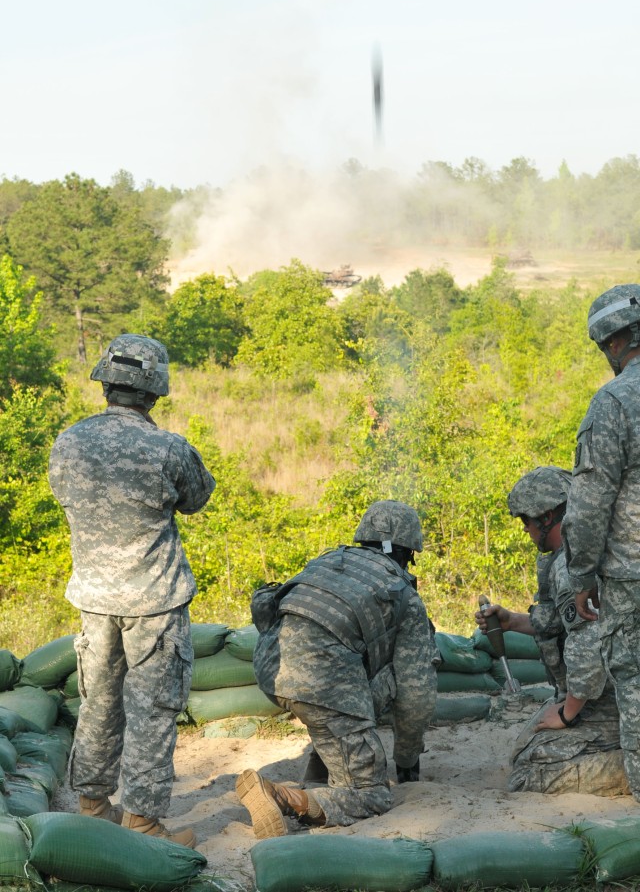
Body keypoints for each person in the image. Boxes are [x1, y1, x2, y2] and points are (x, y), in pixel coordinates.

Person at [49, 334, 216, 847]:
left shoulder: (68, 441)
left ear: (107, 383)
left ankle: (92, 805)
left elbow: (63, 495)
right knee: (153, 708)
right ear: (154, 391)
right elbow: (197, 498)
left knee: (97, 701)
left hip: (95, 601)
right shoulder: (168, 448)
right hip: (155, 603)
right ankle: (141, 820)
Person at [235, 500, 439, 838]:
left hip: (271, 664)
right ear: (407, 553)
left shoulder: (330, 561)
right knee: (370, 794)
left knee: (348, 694)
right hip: (322, 680)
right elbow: (416, 694)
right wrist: (406, 759)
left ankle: (322, 766)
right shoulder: (403, 595)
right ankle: (279, 797)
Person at [476, 466, 626, 795]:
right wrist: (511, 621)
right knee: (524, 751)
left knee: (527, 775)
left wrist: (568, 714)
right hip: (601, 694)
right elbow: (562, 622)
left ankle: (632, 766)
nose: (526, 532)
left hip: (611, 700)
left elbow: (588, 642)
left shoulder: (572, 563)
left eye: (525, 522)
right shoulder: (583, 551)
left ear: (546, 517)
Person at [562, 283, 640, 801]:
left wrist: (582, 575)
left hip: (631, 577)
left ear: (613, 344)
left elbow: (590, 503)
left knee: (635, 687)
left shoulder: (614, 401)